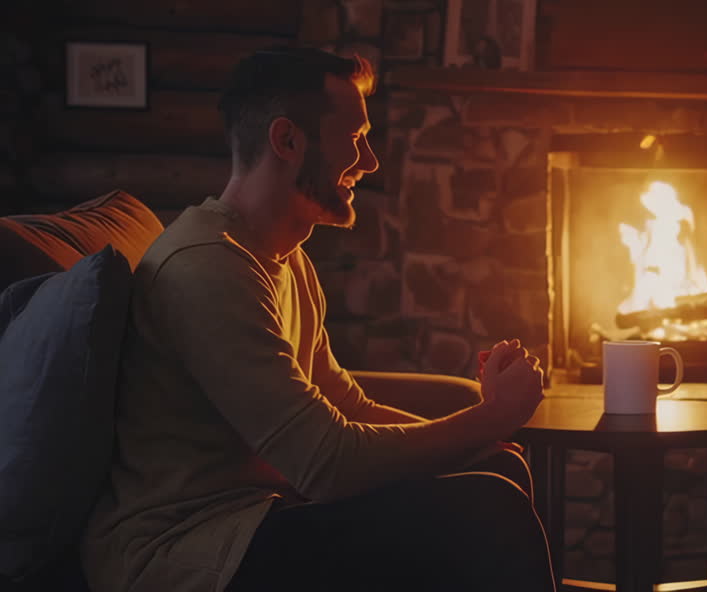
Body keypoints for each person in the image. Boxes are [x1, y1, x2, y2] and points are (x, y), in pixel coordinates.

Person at [80, 48, 555, 592]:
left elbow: (347, 407)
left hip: (258, 516)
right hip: (188, 549)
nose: (370, 161)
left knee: (498, 470)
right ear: (287, 141)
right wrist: (489, 419)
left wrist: (474, 445)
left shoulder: (284, 258)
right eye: (355, 139)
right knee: (489, 508)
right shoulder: (207, 267)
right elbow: (326, 464)